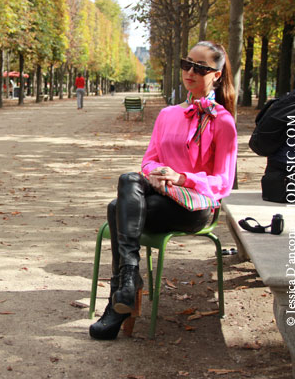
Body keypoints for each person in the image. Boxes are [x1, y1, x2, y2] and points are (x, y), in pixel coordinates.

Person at [89, 41, 237, 340]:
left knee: (118, 209)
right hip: (161, 195)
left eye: (200, 68)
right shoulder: (168, 114)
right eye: (187, 64)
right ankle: (128, 281)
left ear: (217, 75)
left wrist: (181, 178)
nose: (190, 72)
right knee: (129, 178)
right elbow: (149, 159)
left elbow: (223, 182)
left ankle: (121, 297)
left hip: (195, 207)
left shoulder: (223, 122)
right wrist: (155, 175)